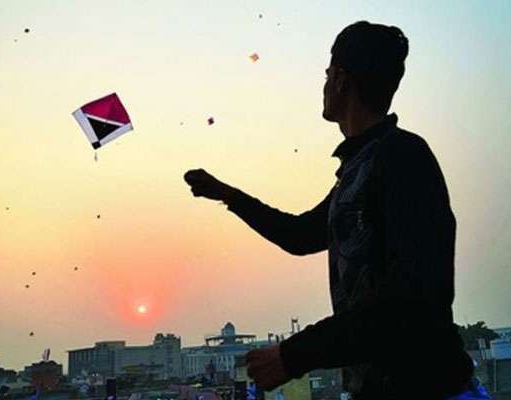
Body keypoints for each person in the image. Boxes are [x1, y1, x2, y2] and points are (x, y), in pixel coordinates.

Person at [184, 21, 479, 399]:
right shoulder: (361, 168)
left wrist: (292, 356)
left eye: (327, 74)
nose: (323, 85)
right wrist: (229, 195)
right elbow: (301, 234)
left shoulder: (402, 158)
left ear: (340, 80)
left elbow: (407, 303)